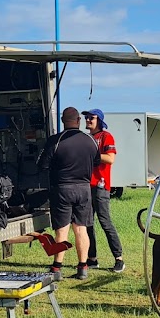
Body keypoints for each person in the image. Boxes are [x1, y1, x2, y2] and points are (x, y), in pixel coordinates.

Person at [37, 107, 100, 280]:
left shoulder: (55, 141)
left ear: (63, 121)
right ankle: (83, 267)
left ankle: (57, 268)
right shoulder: (90, 141)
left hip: (62, 189)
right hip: (84, 188)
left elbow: (42, 165)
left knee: (62, 230)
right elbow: (97, 161)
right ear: (78, 120)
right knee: (81, 229)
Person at [82, 108, 124, 273]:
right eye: (86, 117)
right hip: (86, 186)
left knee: (105, 222)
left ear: (98, 119)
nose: (87, 120)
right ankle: (92, 259)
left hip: (101, 186)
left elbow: (110, 159)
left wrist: (92, 156)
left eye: (91, 118)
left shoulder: (106, 137)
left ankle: (119, 259)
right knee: (87, 225)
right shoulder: (86, 138)